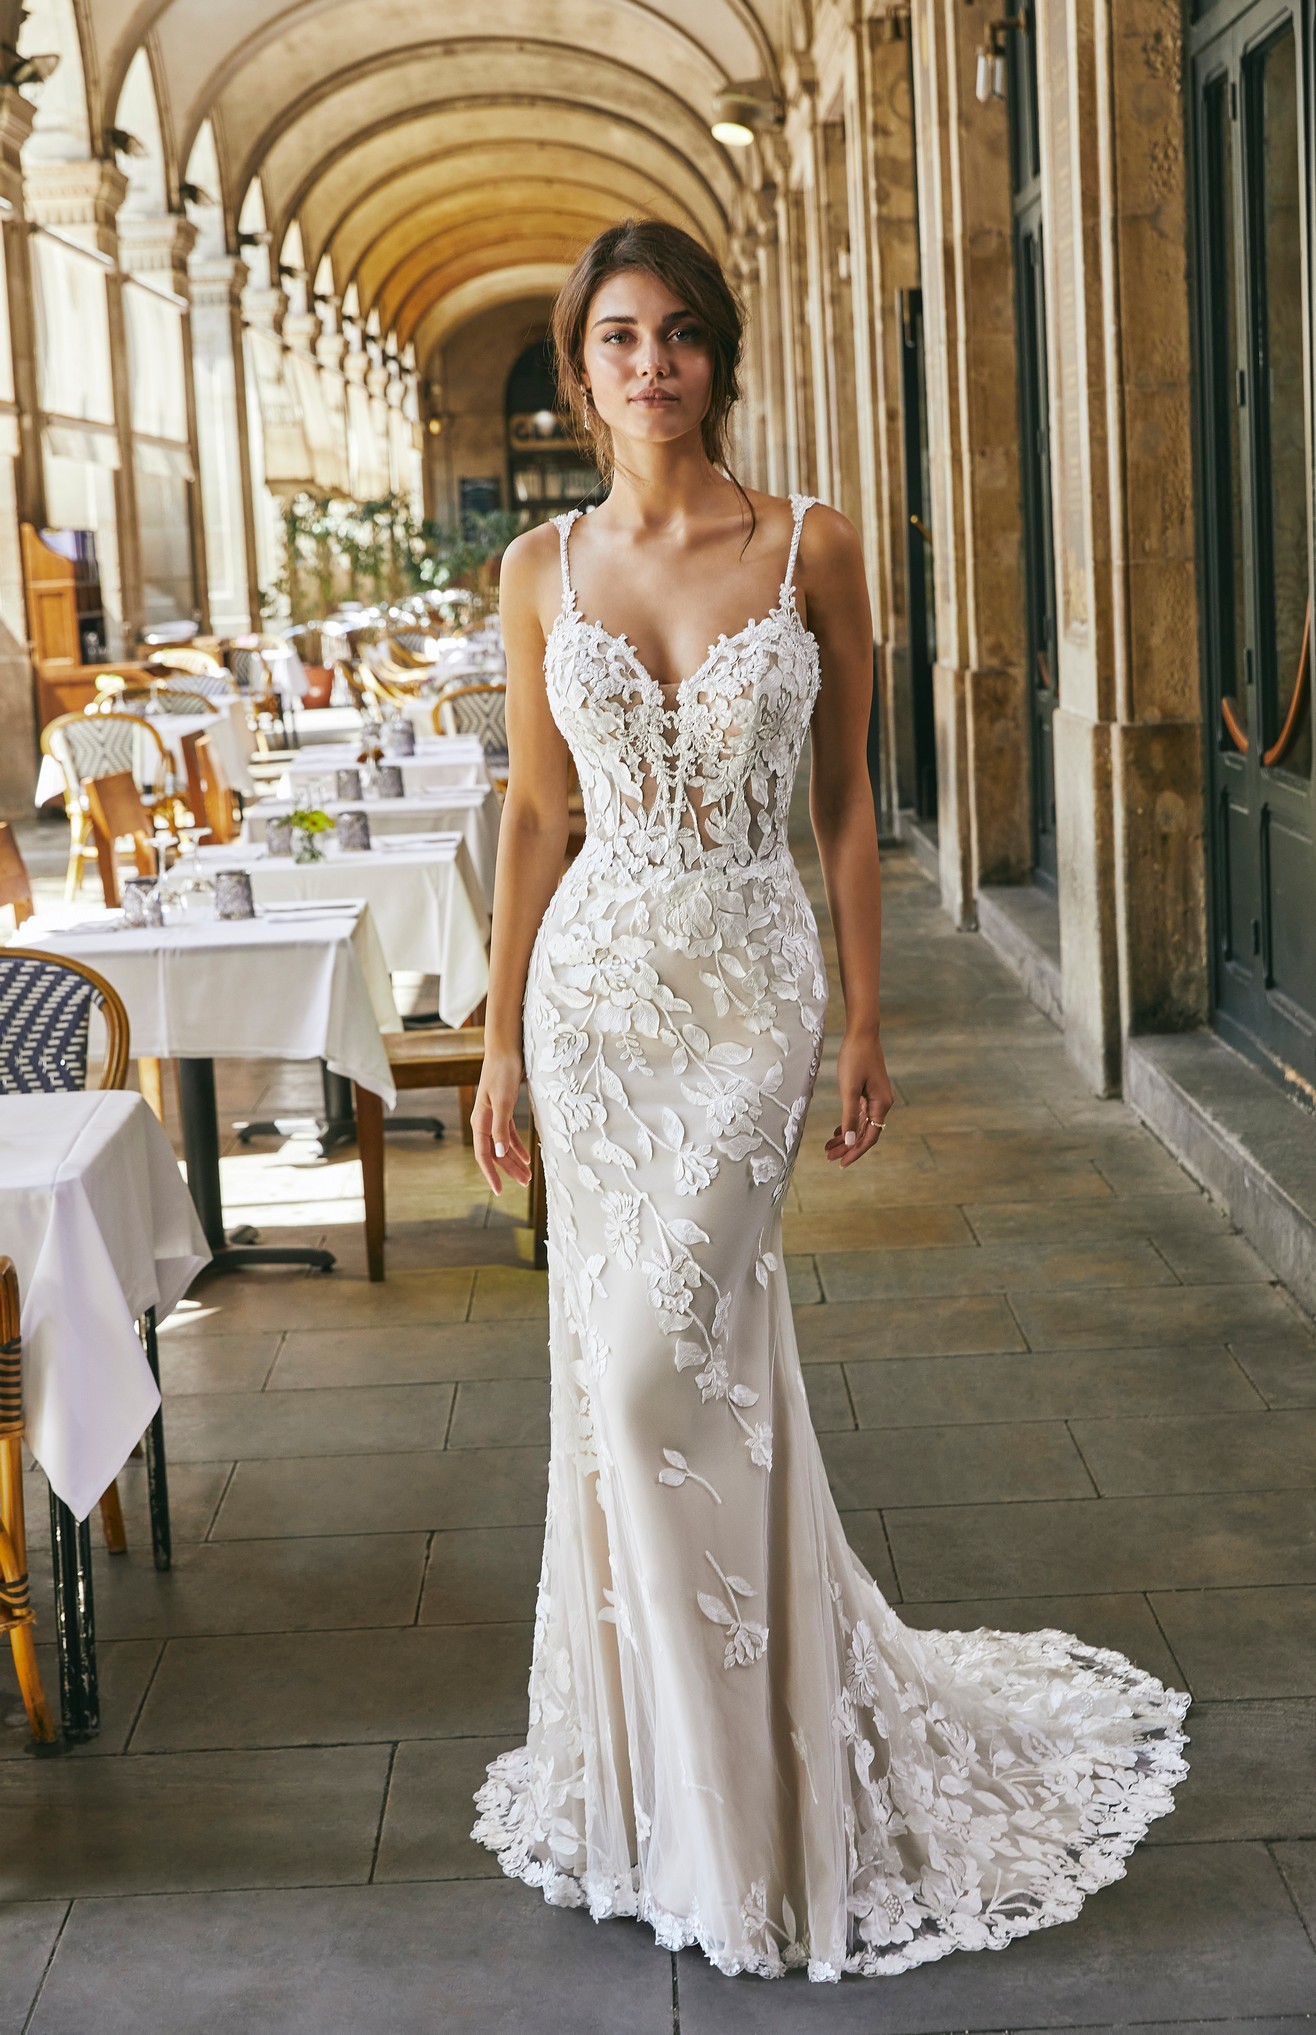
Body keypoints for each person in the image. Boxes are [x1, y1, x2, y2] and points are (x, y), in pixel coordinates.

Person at [469, 218, 1188, 1982]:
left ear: (721, 357)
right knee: (637, 1387)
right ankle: (687, 1800)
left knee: (661, 1374)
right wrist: (496, 1037)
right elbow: (540, 817)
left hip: (745, 998)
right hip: (594, 1007)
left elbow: (853, 806)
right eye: (620, 338)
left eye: (683, 336)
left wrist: (867, 1020)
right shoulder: (539, 566)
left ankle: (759, 1802)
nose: (653, 365)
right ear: (583, 368)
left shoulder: (814, 548)